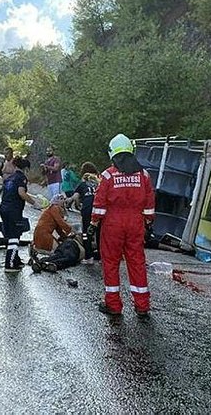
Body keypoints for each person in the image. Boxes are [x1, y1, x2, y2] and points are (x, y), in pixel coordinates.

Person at [90, 134, 155, 318]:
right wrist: (148, 222)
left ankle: (113, 305)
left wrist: (93, 223)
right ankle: (142, 306)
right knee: (137, 263)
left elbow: (99, 204)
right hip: (135, 224)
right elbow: (149, 204)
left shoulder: (108, 175)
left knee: (111, 263)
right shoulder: (143, 175)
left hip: (112, 225)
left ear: (112, 153)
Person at [0, 156, 38, 272]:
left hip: (4, 208)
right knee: (14, 237)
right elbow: (21, 193)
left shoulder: (9, 178)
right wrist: (34, 202)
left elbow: (2, 193)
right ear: (26, 168)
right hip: (13, 210)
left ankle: (16, 259)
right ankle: (10, 264)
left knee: (11, 234)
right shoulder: (21, 178)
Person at [67, 162, 100, 263]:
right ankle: (101, 256)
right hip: (99, 209)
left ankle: (89, 256)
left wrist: (71, 202)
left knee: (86, 233)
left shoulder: (82, 184)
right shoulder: (99, 183)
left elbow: (75, 197)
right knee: (99, 232)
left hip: (87, 210)